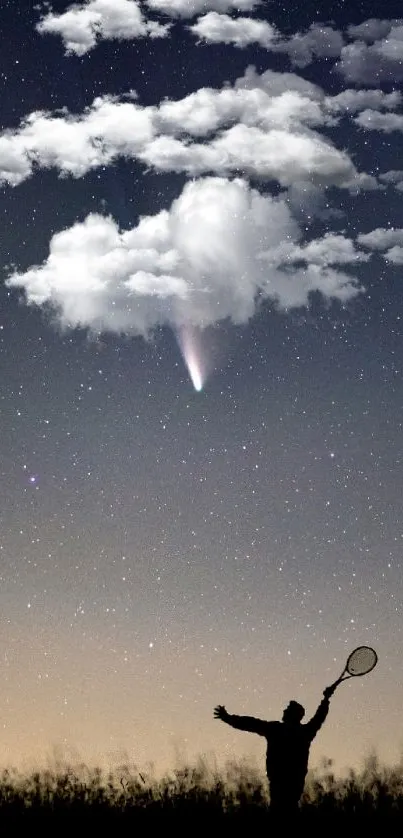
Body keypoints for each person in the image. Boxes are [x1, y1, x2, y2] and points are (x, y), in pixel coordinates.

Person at [214, 684, 336, 814]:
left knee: (278, 811)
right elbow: (319, 717)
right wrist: (326, 699)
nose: (284, 711)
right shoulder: (305, 732)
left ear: (292, 714)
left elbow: (250, 723)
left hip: (278, 783)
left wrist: (228, 718)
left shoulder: (276, 729)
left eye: (287, 709)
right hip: (294, 784)